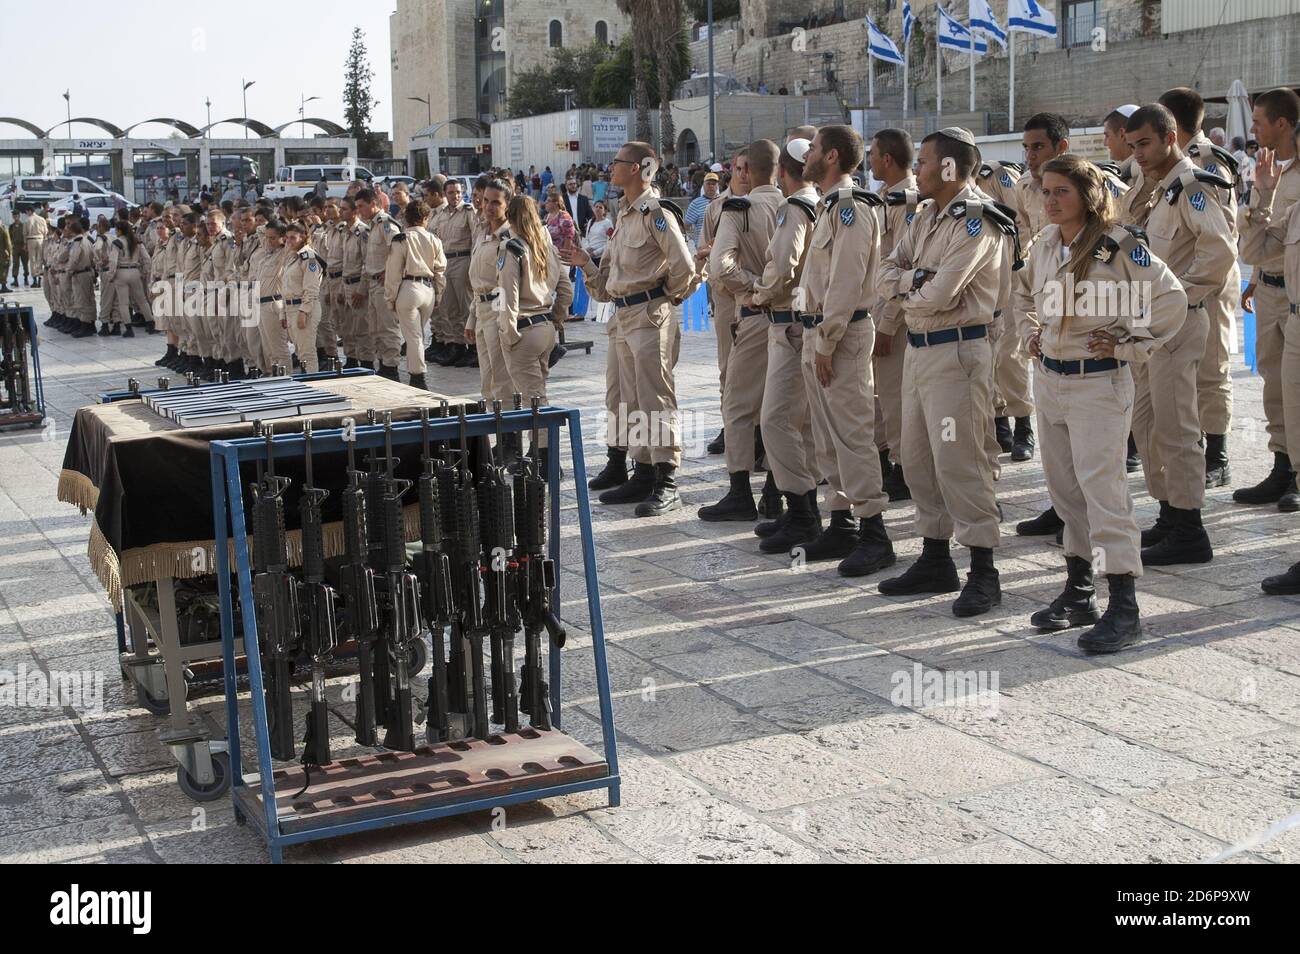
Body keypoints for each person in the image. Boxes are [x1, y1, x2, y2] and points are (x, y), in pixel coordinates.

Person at [1017, 154, 1188, 651]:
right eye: (1046, 191)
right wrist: (1034, 332)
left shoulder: (1119, 246)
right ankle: (1079, 590)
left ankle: (1125, 607)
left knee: (1104, 494)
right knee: (1066, 492)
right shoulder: (1047, 243)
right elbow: (1022, 292)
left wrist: (1131, 346)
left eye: (1061, 192)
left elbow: (1171, 300)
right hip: (1051, 381)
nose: (1050, 200)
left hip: (1098, 385)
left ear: (1087, 196)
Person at [879, 127, 1017, 617]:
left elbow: (945, 294)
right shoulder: (924, 215)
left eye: (924, 160)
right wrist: (915, 280)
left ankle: (984, 568)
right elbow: (885, 271)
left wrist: (907, 287)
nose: (916, 168)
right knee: (916, 458)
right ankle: (936, 556)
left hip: (958, 353)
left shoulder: (976, 220)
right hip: (920, 350)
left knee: (960, 460)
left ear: (951, 167)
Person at [1121, 103, 1236, 566]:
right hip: (1145, 326)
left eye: (1145, 143)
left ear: (1170, 137)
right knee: (1148, 426)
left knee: (1178, 426)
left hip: (1179, 321)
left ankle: (1190, 528)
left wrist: (1176, 296)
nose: (1138, 154)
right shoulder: (1149, 191)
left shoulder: (1192, 188)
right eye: (1132, 146)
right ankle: (1170, 512)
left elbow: (1220, 253)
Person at [561, 141, 698, 517]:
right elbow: (607, 284)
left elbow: (685, 268)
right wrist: (586, 263)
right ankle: (643, 470)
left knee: (655, 397)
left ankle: (667, 480)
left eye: (618, 162)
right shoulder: (625, 213)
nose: (610, 168)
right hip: (622, 316)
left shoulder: (656, 213)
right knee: (627, 397)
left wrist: (663, 297)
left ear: (638, 168)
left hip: (648, 316)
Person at [1159, 87, 1241, 490]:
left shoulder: (1209, 163)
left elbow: (1220, 238)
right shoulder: (1167, 163)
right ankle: (1192, 448)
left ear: (1170, 124)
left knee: (1211, 369)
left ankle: (1217, 454)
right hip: (1180, 285)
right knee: (1183, 376)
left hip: (1209, 285)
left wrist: (1188, 290)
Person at [699, 139, 784, 523]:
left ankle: (739, 493)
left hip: (752, 314)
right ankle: (774, 490)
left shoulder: (740, 209)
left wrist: (753, 288)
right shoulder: (795, 206)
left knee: (737, 406)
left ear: (747, 171)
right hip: (790, 319)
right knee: (780, 407)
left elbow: (720, 268)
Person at [745, 137, 822, 553]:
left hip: (789, 323)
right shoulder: (816, 202)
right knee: (798, 422)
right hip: (800, 322)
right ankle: (800, 509)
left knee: (775, 419)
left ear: (781, 171)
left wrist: (757, 292)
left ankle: (804, 512)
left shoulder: (794, 207)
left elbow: (784, 266)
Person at [1236, 88, 1300, 511]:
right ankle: (1282, 466)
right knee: (1275, 385)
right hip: (1273, 289)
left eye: (1259, 121)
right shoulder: (1269, 170)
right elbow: (1262, 243)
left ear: (1282, 123)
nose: (1254, 129)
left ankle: (1296, 473)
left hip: (1294, 291)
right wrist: (1256, 279)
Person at [1243, 130, 1300, 593]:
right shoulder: (1288, 190)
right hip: (1287, 308)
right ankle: (1286, 468)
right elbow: (1255, 250)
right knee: (1284, 402)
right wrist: (1262, 193)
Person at [870, 128, 919, 503]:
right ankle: (887, 460)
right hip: (879, 308)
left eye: (873, 153)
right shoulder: (885, 199)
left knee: (895, 395)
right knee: (880, 396)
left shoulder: (909, 202)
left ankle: (903, 468)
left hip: (896, 317)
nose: (868, 160)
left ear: (887, 159)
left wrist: (887, 324)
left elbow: (907, 268)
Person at [496, 192, 562, 410]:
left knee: (532, 400)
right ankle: (541, 442)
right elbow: (566, 288)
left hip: (524, 328)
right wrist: (558, 318)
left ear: (510, 217)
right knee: (538, 392)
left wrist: (508, 333)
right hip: (545, 325)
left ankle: (542, 445)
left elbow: (508, 294)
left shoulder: (512, 247)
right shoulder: (547, 247)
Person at [470, 178, 515, 406]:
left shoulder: (509, 239)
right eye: (485, 201)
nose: (488, 207)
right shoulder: (482, 233)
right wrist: (472, 318)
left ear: (507, 204)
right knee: (486, 378)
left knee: (501, 379)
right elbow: (478, 281)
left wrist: (503, 321)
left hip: (498, 311)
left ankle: (508, 437)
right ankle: (495, 428)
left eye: (495, 202)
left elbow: (507, 284)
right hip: (481, 310)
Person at [355, 187, 404, 379]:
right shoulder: (371, 227)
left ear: (374, 204)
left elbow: (399, 247)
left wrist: (390, 271)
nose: (359, 210)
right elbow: (370, 261)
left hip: (385, 284)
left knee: (388, 328)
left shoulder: (385, 224)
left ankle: (391, 367)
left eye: (362, 206)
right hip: (373, 283)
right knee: (375, 328)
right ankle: (383, 363)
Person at [429, 178, 476, 367]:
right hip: (445, 261)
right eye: (451, 192)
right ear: (445, 194)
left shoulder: (468, 212)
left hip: (463, 260)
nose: (455, 196)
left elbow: (475, 239)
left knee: (466, 307)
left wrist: (473, 267)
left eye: (458, 192)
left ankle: (473, 347)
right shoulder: (441, 215)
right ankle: (457, 345)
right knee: (449, 308)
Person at [108, 218, 152, 341]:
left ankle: (128, 328)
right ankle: (150, 324)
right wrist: (145, 272)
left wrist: (111, 276)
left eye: (116, 230)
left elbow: (113, 261)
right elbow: (147, 259)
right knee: (142, 300)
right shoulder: (137, 241)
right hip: (135, 271)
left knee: (123, 302)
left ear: (120, 230)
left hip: (121, 272)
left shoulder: (117, 243)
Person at [685, 173, 719, 245]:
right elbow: (686, 226)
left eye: (713, 184)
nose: (711, 186)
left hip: (720, 247)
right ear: (703, 186)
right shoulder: (695, 204)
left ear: (717, 186)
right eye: (708, 184)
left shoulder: (723, 201)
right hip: (702, 248)